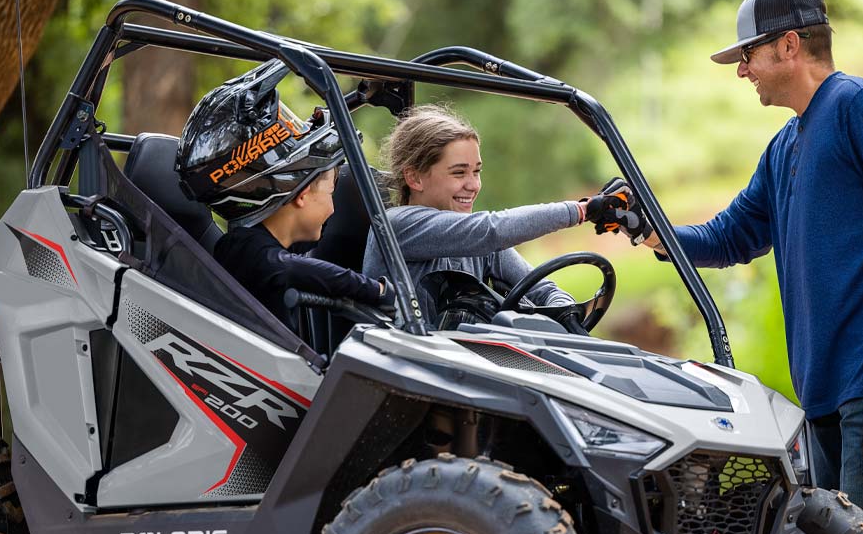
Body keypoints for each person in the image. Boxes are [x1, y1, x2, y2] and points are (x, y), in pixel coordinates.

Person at [613, 0, 863, 534]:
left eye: (747, 55)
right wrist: (647, 226)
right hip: (821, 389)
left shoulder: (859, 106)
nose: (741, 71)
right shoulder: (786, 143)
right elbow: (728, 236)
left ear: (789, 45)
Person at [361, 104, 638, 329]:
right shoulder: (397, 226)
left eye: (476, 171)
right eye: (459, 173)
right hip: (404, 367)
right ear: (415, 178)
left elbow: (540, 289)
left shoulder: (478, 242)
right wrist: (582, 210)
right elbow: (493, 230)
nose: (473, 185)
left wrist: (565, 313)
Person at [176, 60, 393, 332]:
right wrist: (377, 290)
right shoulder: (243, 249)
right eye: (331, 192)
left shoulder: (257, 244)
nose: (333, 208)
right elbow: (293, 269)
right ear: (301, 195)